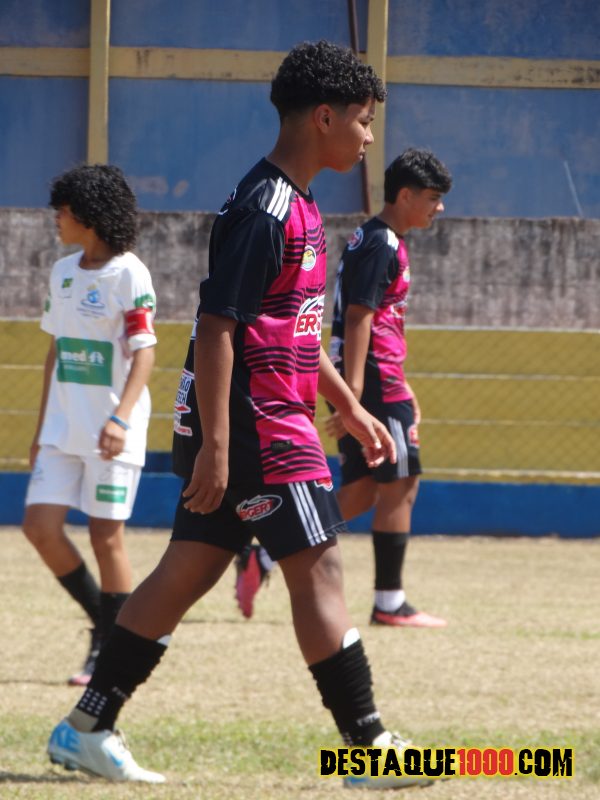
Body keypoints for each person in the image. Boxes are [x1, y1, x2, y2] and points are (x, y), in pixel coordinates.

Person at [47, 41, 433, 790]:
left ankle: (86, 727)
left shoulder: (301, 204)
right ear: (324, 118)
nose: (368, 136)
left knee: (188, 568)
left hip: (259, 419)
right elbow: (217, 326)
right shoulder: (267, 208)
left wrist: (349, 407)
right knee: (320, 567)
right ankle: (367, 748)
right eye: (362, 120)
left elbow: (293, 330)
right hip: (258, 425)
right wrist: (218, 446)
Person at [22, 164, 157, 686]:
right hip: (62, 432)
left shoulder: (129, 274)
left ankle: (111, 652)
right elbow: (55, 351)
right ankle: (105, 621)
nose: (56, 218)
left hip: (111, 432)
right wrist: (40, 431)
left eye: (62, 210)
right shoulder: (62, 272)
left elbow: (144, 353)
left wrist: (120, 419)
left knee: (106, 538)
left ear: (88, 215)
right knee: (39, 528)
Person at [327, 148, 452, 628]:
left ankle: (266, 555)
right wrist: (354, 394)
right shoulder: (380, 243)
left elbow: (377, 318)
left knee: (361, 491)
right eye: (432, 197)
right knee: (401, 484)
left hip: (379, 376)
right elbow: (359, 316)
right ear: (405, 196)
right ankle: (389, 602)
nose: (439, 207)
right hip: (372, 378)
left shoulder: (379, 239)